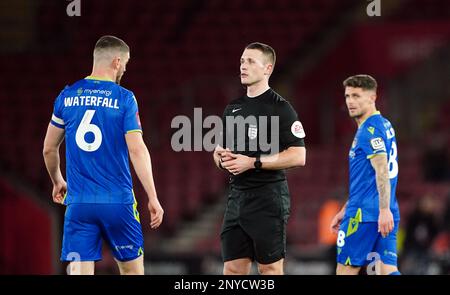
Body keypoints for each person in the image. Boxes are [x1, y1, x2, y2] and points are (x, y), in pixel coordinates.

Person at [43, 35, 164, 275]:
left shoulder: (67, 96)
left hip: (79, 204)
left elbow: (48, 148)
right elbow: (137, 149)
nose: (125, 69)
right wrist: (152, 196)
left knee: (79, 272)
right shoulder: (124, 98)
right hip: (118, 203)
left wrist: (57, 180)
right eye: (126, 64)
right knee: (132, 272)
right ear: (117, 61)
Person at [213, 42, 306, 275]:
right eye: (242, 61)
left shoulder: (281, 108)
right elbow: (222, 152)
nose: (243, 66)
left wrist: (253, 162)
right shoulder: (233, 108)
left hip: (268, 198)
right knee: (233, 269)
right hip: (237, 197)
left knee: (270, 269)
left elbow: (299, 155)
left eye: (251, 61)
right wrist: (220, 157)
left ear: (268, 69)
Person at [330, 74, 401, 275]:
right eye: (347, 96)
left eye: (357, 96)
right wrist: (346, 207)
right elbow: (366, 178)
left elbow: (382, 171)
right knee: (386, 270)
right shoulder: (384, 124)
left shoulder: (369, 130)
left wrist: (383, 209)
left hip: (365, 215)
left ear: (372, 98)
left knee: (345, 271)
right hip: (383, 211)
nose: (350, 102)